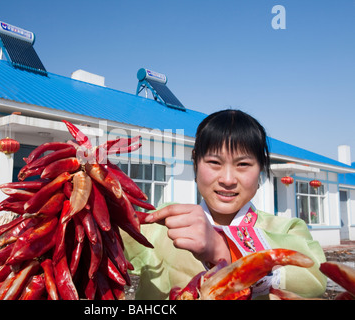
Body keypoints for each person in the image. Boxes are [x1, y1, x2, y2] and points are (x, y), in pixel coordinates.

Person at [123, 109, 327, 300]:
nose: (228, 179)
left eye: (243, 164)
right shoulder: (161, 223)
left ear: (261, 169)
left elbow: (316, 278)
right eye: (214, 162)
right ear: (195, 163)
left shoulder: (288, 229)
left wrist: (226, 250)